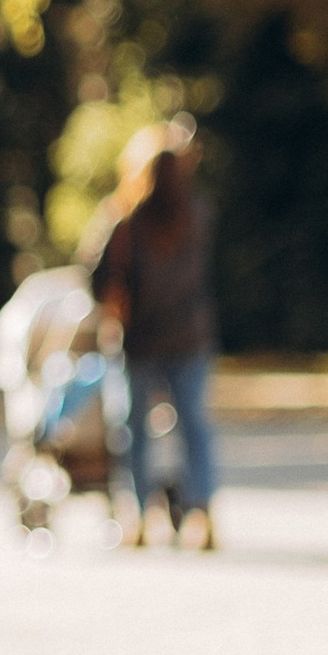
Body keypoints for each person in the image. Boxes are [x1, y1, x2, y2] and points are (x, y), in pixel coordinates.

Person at [90, 125, 220, 548]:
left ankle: (141, 513)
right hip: (190, 336)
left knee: (133, 432)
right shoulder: (198, 214)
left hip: (139, 340)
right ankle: (200, 511)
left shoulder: (124, 219)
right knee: (194, 427)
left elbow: (96, 279)